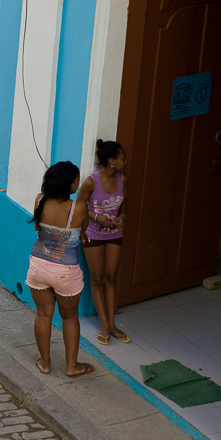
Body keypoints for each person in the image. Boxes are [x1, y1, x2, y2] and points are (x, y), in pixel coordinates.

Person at [26, 161, 94, 378]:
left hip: (38, 266)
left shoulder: (39, 200)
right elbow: (81, 229)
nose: (78, 183)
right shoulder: (80, 208)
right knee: (70, 317)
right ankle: (71, 366)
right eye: (76, 180)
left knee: (43, 315)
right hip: (66, 272)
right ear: (68, 184)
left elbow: (39, 227)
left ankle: (45, 363)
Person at [77, 139, 130, 346]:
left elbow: (124, 205)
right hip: (92, 234)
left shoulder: (123, 179)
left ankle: (113, 324)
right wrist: (96, 217)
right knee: (97, 279)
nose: (125, 161)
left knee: (111, 277)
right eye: (122, 158)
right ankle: (105, 326)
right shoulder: (91, 181)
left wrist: (122, 218)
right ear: (111, 161)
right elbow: (79, 205)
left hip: (114, 234)